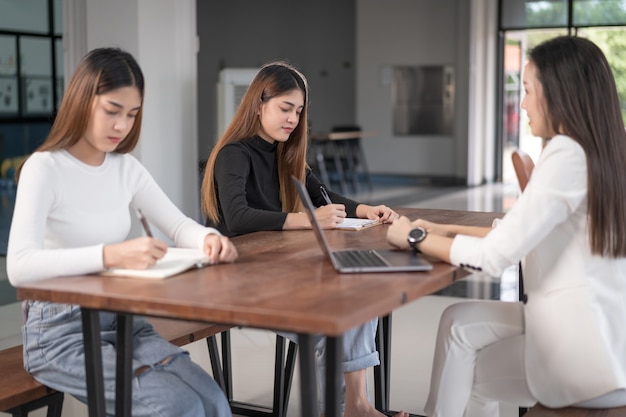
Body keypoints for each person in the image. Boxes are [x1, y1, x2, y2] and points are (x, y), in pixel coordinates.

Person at [387, 35, 626, 417]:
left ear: (559, 93)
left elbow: (495, 256)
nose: (523, 102)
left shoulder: (566, 152)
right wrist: (441, 230)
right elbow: (526, 229)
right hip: (607, 336)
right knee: (458, 321)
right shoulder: (606, 148)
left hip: (582, 358)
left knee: (475, 376)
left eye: (529, 90)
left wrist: (415, 237)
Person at [7, 48, 238, 417]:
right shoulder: (44, 168)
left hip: (122, 318)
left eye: (132, 115)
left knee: (213, 401)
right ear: (82, 101)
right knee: (178, 407)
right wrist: (110, 255)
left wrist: (208, 239)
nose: (122, 126)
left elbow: (178, 225)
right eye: (112, 111)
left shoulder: (125, 168)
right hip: (60, 333)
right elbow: (18, 267)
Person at [201, 60, 405, 417]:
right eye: (285, 108)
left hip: (276, 269)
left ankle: (357, 406)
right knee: (329, 324)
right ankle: (348, 409)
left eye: (298, 111)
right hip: (238, 277)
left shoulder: (285, 154)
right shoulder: (235, 153)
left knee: (360, 294)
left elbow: (324, 195)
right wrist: (309, 220)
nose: (292, 119)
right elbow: (238, 218)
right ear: (258, 103)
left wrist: (367, 210)